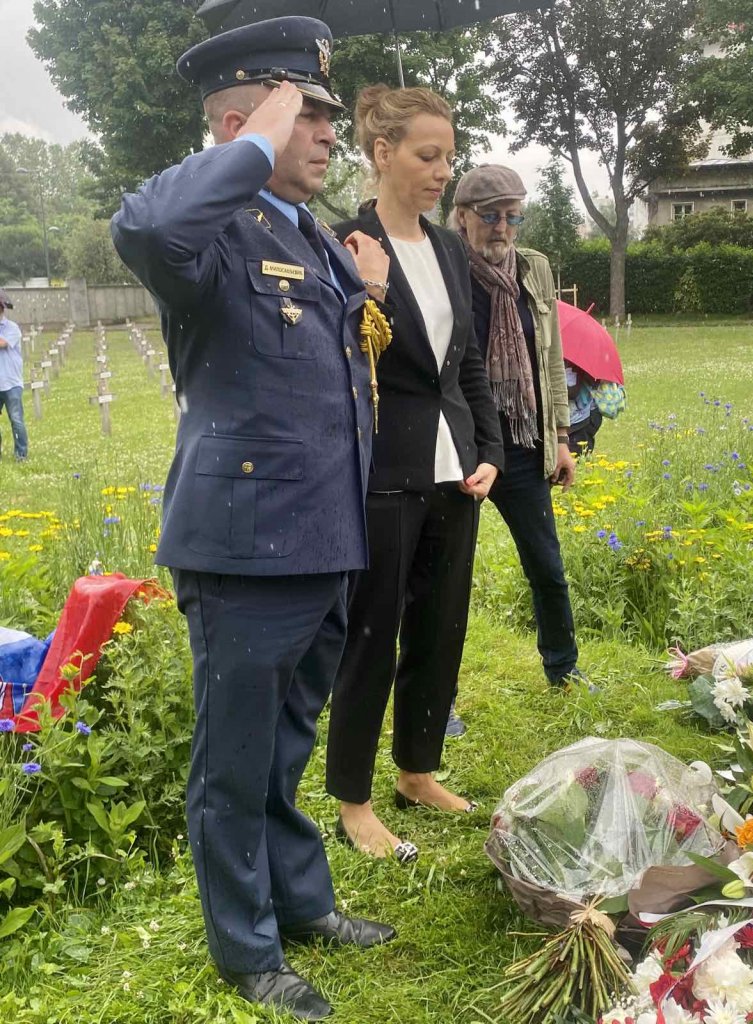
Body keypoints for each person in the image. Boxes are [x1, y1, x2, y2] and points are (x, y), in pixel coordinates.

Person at [111, 18, 395, 1021]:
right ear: (242, 124)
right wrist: (248, 142)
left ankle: (301, 903)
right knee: (233, 765)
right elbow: (146, 229)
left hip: (321, 536)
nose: (328, 132)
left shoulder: (304, 231)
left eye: (324, 114)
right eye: (305, 113)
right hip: (245, 547)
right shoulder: (209, 230)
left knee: (284, 747)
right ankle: (247, 949)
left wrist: (363, 289)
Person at [324, 86, 504, 861]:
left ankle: (416, 770)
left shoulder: (451, 251)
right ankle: (353, 798)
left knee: (441, 626)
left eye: (448, 157)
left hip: (455, 470)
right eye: (428, 156)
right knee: (372, 634)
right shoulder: (344, 244)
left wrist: (489, 448)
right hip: (382, 468)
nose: (442, 172)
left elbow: (468, 363)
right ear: (382, 152)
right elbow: (332, 358)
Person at [450, 164, 594, 703]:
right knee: (444, 583)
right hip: (460, 447)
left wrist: (561, 437)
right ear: (462, 216)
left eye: (513, 217)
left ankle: (563, 668)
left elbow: (550, 357)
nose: (502, 228)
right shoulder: (443, 265)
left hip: (523, 439)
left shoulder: (535, 268)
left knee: (547, 568)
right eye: (491, 216)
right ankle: (438, 699)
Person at [0, 289, 29, 462]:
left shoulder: (12, 328)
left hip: (11, 383)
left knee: (16, 420)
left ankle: (21, 454)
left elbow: (2, 343)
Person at [565, 360, 603, 456]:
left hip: (583, 418)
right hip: (581, 416)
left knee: (578, 451)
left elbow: (572, 392)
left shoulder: (579, 365)